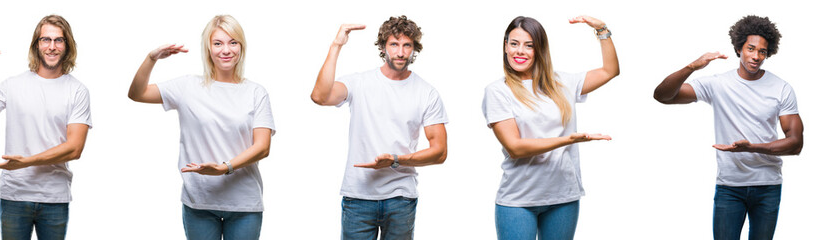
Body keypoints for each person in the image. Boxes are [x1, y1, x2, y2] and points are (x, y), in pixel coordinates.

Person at [653, 15, 803, 240]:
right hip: (730, 186)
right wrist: (692, 67)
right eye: (751, 48)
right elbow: (662, 96)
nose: (756, 56)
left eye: (762, 51)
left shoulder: (781, 88)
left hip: (768, 185)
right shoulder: (717, 84)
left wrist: (751, 147)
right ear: (739, 48)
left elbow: (795, 144)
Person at [127, 15, 274, 240]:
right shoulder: (187, 86)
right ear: (208, 48)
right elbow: (137, 94)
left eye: (233, 42)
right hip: (199, 202)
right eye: (218, 43)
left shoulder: (256, 92)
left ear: (241, 47)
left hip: (243, 203)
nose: (226, 50)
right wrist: (151, 59)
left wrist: (224, 168)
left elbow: (263, 147)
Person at [310, 15, 448, 239]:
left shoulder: (426, 92)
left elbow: (440, 152)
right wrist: (336, 45)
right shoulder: (359, 82)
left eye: (407, 45)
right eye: (394, 44)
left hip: (401, 198)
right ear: (383, 47)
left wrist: (395, 159)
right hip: (358, 197)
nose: (401, 52)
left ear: (414, 49)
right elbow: (319, 96)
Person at [482, 16, 619, 240]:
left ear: (540, 49)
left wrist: (601, 29)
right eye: (514, 43)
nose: (520, 51)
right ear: (505, 46)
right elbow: (515, 147)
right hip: (518, 201)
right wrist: (568, 140)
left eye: (529, 45)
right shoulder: (497, 91)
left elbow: (609, 71)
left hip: (563, 198)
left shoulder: (562, 83)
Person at [0, 15, 91, 240]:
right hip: (14, 196)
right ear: (36, 44)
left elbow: (74, 149)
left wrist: (26, 162)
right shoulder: (13, 85)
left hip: (54, 197)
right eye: (45, 40)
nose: (52, 47)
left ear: (67, 46)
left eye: (58, 40)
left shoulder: (77, 91)